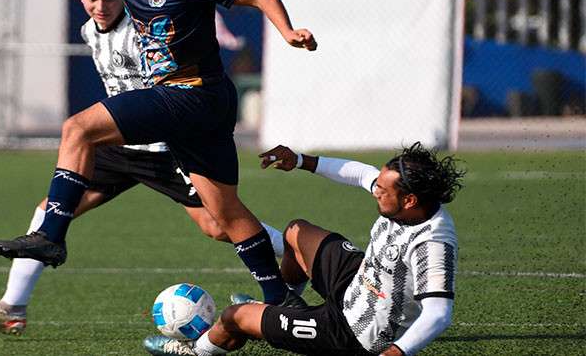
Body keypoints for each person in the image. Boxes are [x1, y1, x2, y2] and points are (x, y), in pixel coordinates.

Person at [0, 0, 316, 306]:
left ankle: (51, 236)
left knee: (78, 128)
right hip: (205, 102)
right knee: (224, 216)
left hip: (188, 95)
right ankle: (282, 301)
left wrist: (288, 32)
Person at [0, 0, 285, 335]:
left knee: (218, 225)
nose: (100, 6)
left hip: (164, 150)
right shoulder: (88, 30)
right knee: (50, 209)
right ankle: (11, 308)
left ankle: (299, 253)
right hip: (118, 148)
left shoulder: (142, 31)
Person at [143, 142, 465, 356]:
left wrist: (397, 351)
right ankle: (286, 302)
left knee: (234, 317)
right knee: (296, 232)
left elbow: (439, 314)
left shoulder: (433, 244)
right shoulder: (407, 203)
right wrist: (300, 160)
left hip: (354, 333)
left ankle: (196, 351)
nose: (374, 191)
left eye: (383, 189)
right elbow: (362, 174)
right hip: (358, 282)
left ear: (409, 200)